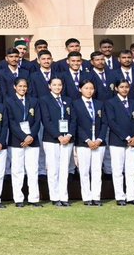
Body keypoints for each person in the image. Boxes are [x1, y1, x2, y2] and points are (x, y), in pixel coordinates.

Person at [105, 79, 134, 206]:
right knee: (117, 170)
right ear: (116, 88)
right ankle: (120, 196)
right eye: (121, 87)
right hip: (117, 141)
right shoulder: (110, 103)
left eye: (126, 87)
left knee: (132, 170)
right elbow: (112, 122)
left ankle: (131, 196)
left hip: (133, 141)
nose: (124, 89)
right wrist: (126, 137)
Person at [6, 78, 43, 207]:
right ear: (14, 87)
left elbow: (37, 120)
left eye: (25, 86)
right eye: (20, 86)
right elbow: (11, 122)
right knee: (17, 170)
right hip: (17, 141)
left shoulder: (33, 101)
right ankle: (19, 199)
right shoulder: (9, 101)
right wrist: (23, 137)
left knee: (33, 170)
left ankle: (34, 198)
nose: (22, 88)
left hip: (32, 140)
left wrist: (30, 136)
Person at [39, 77, 74, 207]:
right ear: (49, 86)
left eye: (59, 85)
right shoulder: (44, 100)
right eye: (54, 85)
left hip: (67, 139)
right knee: (53, 169)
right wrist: (58, 136)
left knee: (64, 169)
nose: (57, 87)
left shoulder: (68, 100)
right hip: (52, 139)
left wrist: (68, 135)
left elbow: (73, 119)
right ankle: (54, 197)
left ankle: (64, 197)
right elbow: (46, 120)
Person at [73, 80, 107, 206]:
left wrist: (99, 139)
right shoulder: (75, 104)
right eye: (86, 88)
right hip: (83, 143)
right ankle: (87, 197)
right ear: (80, 89)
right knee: (84, 171)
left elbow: (104, 123)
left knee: (97, 171)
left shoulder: (99, 104)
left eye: (91, 88)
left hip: (98, 143)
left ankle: (96, 197)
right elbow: (75, 124)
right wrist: (87, 140)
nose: (89, 90)